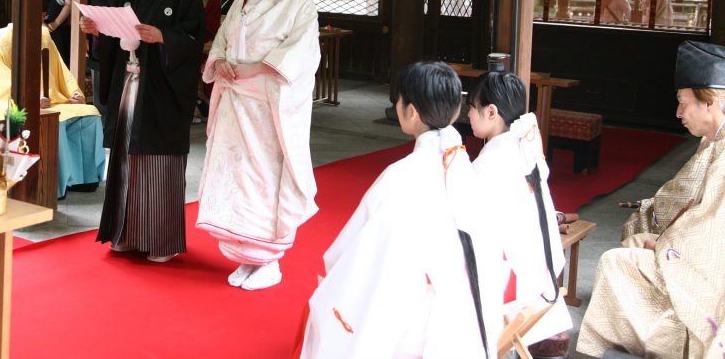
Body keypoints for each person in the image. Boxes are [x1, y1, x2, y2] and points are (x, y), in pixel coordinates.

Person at [298, 61, 503, 358]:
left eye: (399, 100)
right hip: (464, 315)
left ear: (410, 111)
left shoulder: (401, 175)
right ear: (457, 110)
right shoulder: (462, 165)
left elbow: (350, 249)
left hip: (408, 317)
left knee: (329, 304)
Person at [196, 0, 320, 291]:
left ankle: (268, 259)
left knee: (262, 179)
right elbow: (222, 40)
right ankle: (245, 256)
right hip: (236, 103)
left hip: (268, 107)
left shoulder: (299, 0)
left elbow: (302, 54)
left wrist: (256, 69)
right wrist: (220, 63)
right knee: (235, 176)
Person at [577, 41, 725, 358]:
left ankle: (669, 341)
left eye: (683, 103)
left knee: (615, 261)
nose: (678, 112)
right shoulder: (717, 141)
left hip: (711, 272)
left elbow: (712, 230)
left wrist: (664, 244)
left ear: (709, 102)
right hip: (697, 254)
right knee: (637, 237)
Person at [80, 0, 204, 263]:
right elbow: (118, 25)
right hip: (132, 83)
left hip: (164, 91)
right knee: (126, 157)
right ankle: (128, 232)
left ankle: (161, 240)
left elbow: (195, 39)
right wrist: (97, 27)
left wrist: (165, 36)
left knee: (157, 162)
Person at [467, 71, 572, 356]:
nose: (468, 113)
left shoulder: (492, 163)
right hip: (544, 270)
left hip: (515, 280)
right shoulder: (524, 149)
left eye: (472, 107)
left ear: (491, 111)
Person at [0, 23, 106, 198]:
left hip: (52, 101)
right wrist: (31, 101)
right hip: (18, 105)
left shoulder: (44, 38)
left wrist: (74, 92)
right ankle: (58, 181)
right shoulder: (2, 46)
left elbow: (62, 71)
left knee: (89, 114)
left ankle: (85, 178)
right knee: (55, 120)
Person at [86, 0, 144, 115]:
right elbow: (84, 5)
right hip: (97, 36)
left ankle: (119, 123)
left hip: (124, 38)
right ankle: (100, 125)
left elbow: (139, 7)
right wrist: (84, 37)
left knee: (121, 83)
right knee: (99, 86)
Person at [188, 0, 221, 123]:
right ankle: (189, 109)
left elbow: (213, 13)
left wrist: (205, 34)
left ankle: (202, 109)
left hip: (202, 35)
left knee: (201, 73)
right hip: (183, 35)